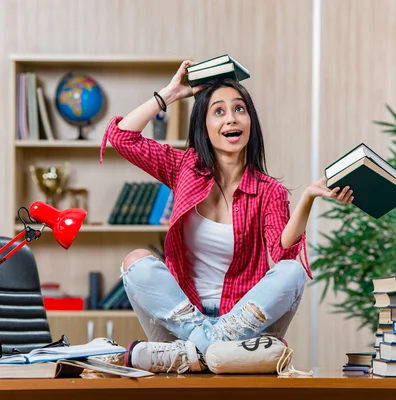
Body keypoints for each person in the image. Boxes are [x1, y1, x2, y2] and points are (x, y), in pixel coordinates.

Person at [99, 60, 353, 374]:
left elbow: (283, 252)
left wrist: (308, 199)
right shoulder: (185, 168)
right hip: (183, 319)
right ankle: (210, 348)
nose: (231, 118)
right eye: (218, 111)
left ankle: (193, 353)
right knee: (135, 261)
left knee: (293, 271)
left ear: (251, 121)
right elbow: (122, 138)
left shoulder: (268, 190)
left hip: (243, 323)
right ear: (203, 125)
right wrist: (171, 93)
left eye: (239, 109)